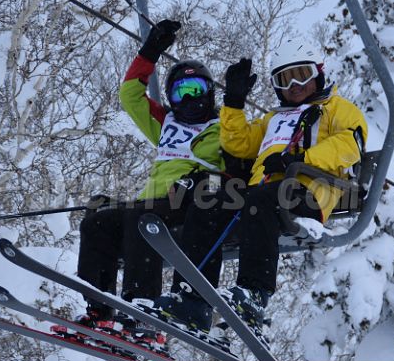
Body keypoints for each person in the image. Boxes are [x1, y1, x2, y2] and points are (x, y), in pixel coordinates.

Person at [155, 40, 368, 336]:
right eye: (285, 79)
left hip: (307, 191)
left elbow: (349, 145)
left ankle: (254, 292)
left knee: (259, 198)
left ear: (318, 73)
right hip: (263, 195)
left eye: (302, 74)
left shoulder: (337, 109)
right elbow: (239, 144)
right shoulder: (274, 118)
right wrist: (234, 103)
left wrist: (301, 159)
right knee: (208, 199)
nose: (294, 85)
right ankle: (192, 299)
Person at [75, 19, 225, 339]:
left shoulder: (225, 129)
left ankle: (142, 309)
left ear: (210, 92)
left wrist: (204, 179)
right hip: (153, 205)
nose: (190, 98)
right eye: (181, 92)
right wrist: (150, 51)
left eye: (196, 89)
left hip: (192, 204)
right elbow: (131, 95)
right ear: (171, 97)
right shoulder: (166, 124)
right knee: (97, 223)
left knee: (142, 217)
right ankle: (99, 308)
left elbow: (241, 164)